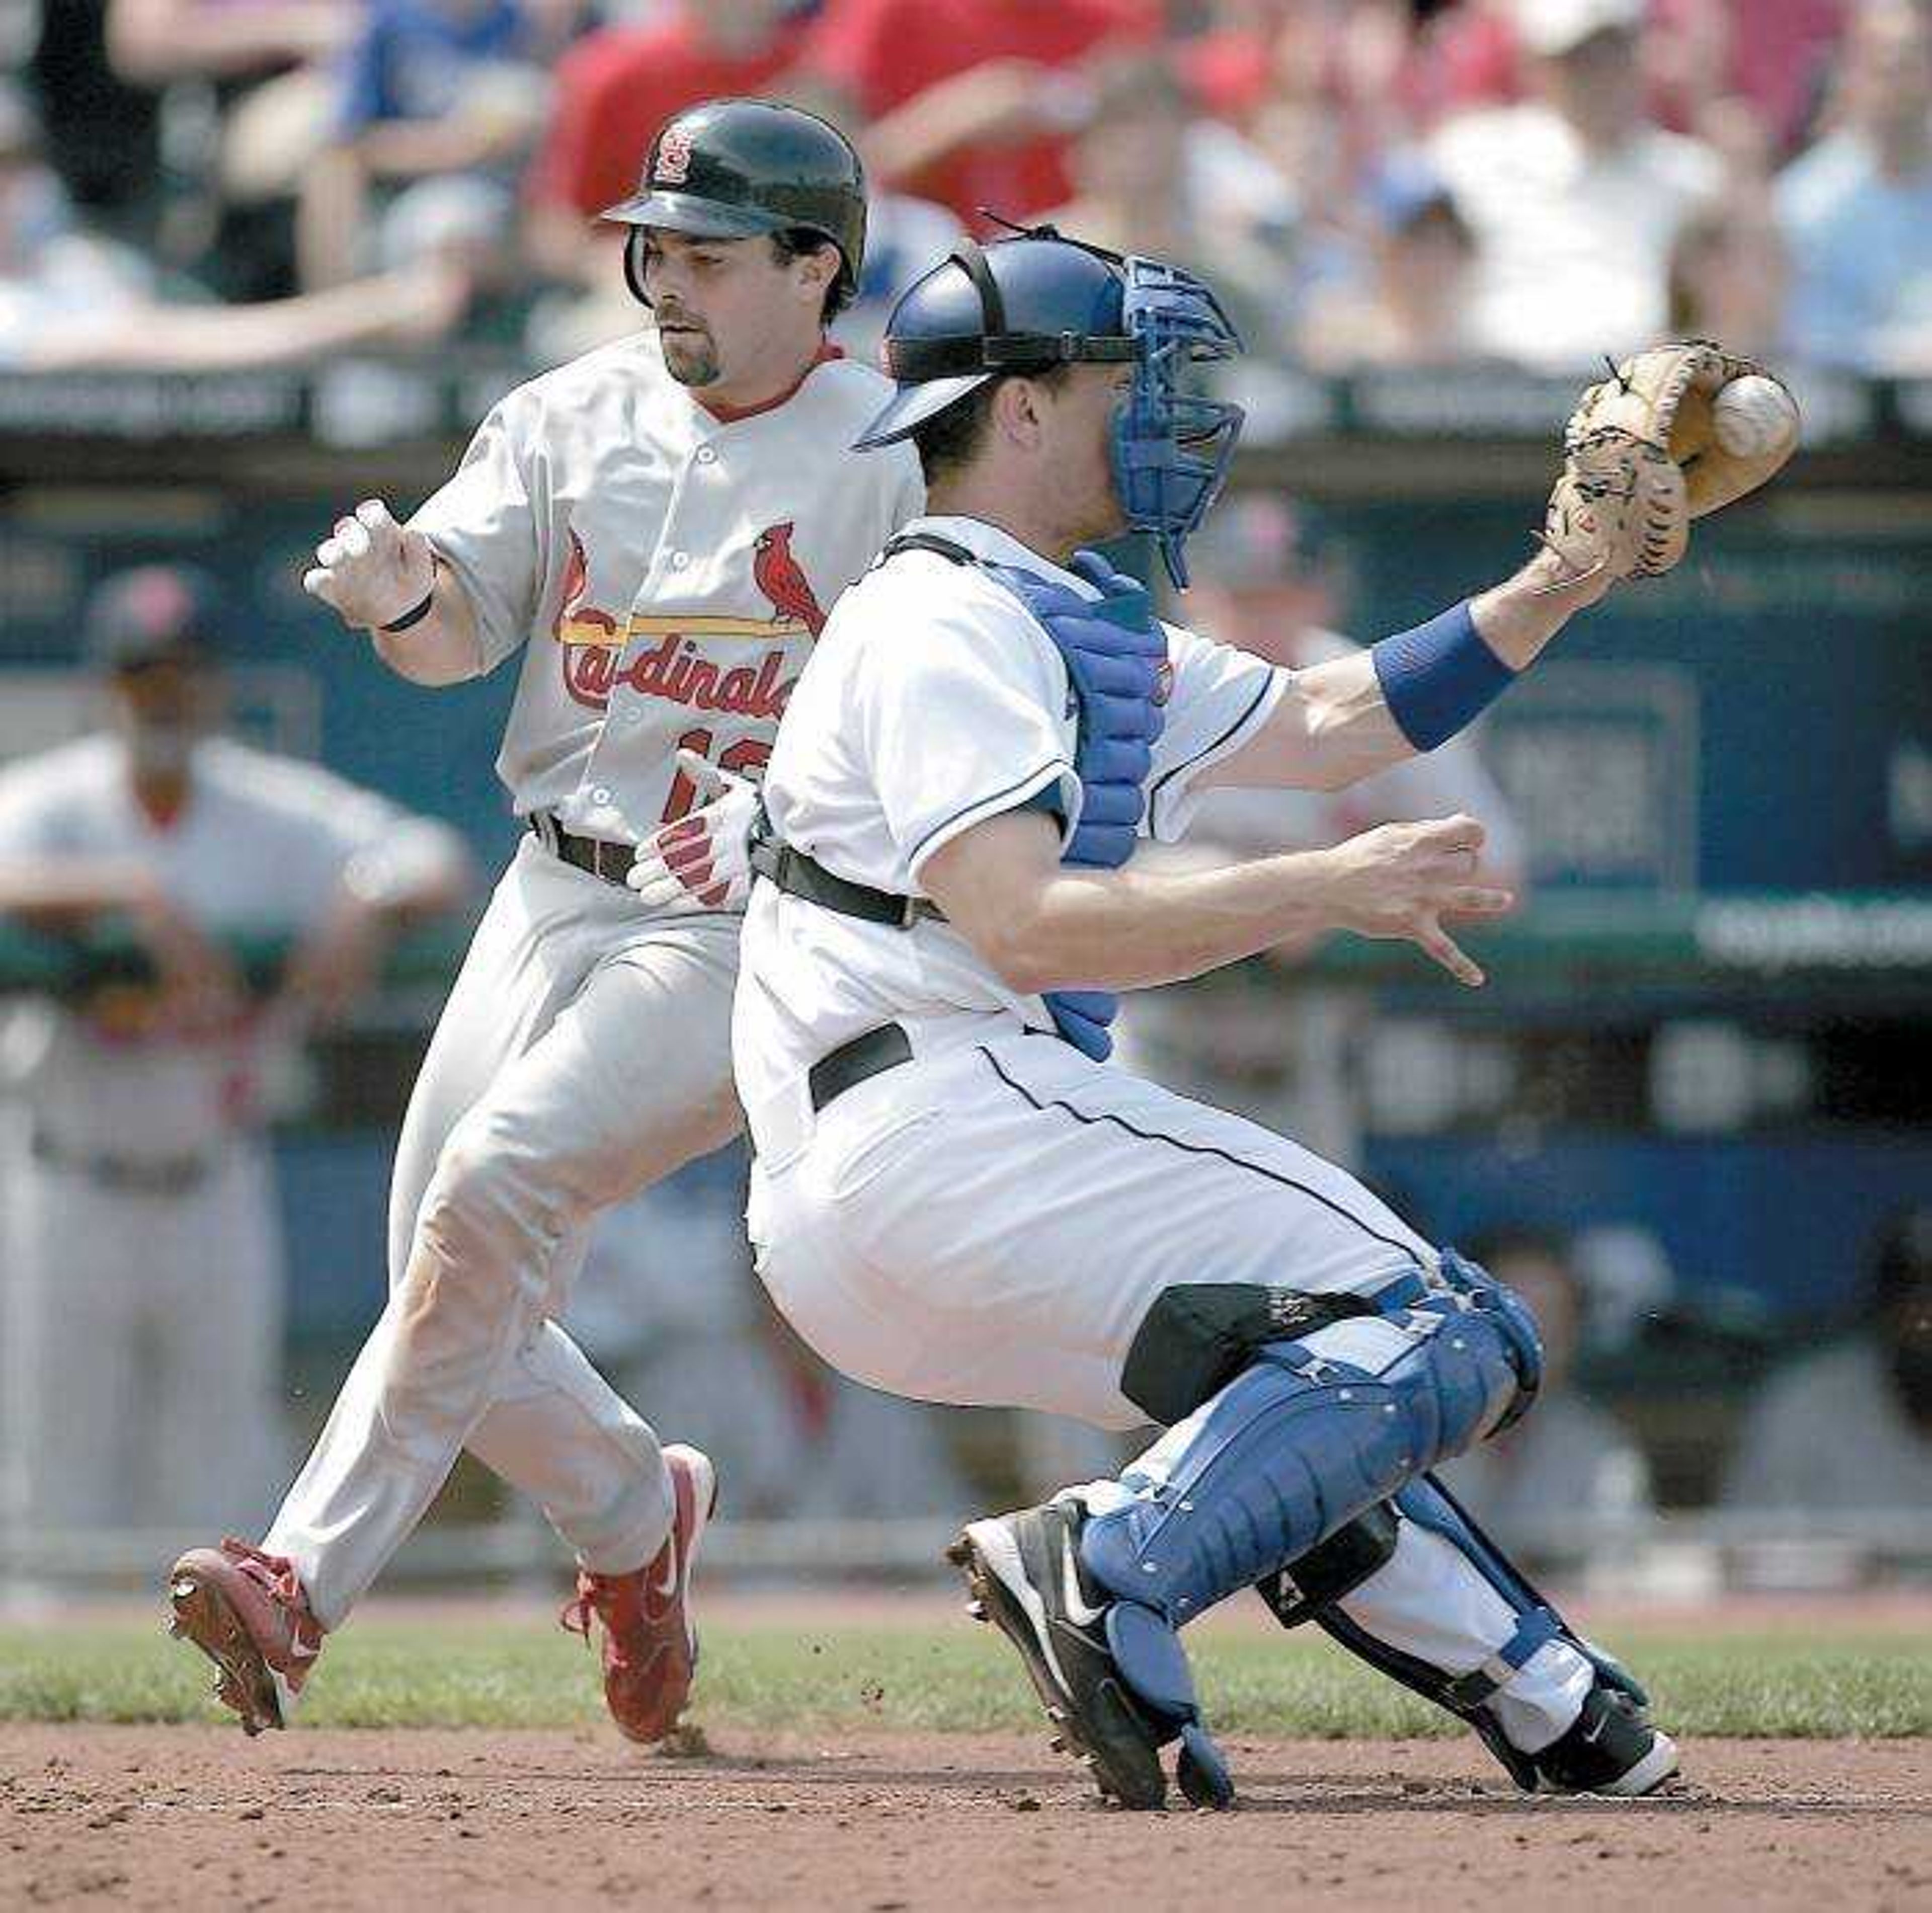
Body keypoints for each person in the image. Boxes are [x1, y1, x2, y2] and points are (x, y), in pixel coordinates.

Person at [708, 225, 1720, 1812]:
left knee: (1303, 1373)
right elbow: (1023, 920)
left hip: (908, 1161)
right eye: (1126, 375)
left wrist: (1564, 572)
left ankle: (1548, 1700)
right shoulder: (940, 621)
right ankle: (1102, 1561)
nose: (1165, 410)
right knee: (1444, 1321)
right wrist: (1322, 888)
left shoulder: (1050, 610)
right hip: (937, 1115)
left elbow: (1331, 719)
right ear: (1022, 410)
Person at [163, 98, 925, 1743]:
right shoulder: (570, 409)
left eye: (709, 252)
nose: (666, 278)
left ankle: (296, 1586)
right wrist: (396, 596)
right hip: (551, 877)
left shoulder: (897, 450)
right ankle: (635, 1520)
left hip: (736, 911)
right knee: (445, 1284)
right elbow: (454, 629)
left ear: (817, 267)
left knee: (488, 1194)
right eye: (654, 246)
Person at [0, 567, 469, 1560]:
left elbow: (433, 858)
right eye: (142, 673)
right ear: (107, 687)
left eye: (185, 671)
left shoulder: (265, 810)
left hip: (215, 1183)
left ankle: (200, 1690)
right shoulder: (59, 802)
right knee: (53, 1463)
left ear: (217, 685)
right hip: (68, 1180)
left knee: (219, 1463)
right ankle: (47, 1707)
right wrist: (125, 891)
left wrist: (364, 898)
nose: (164, 694)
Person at [1427, 0, 1723, 370]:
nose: (1599, 76)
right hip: (1489, 395)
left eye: (1613, 55)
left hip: (1651, 402)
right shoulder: (1472, 159)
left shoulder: (1693, 177)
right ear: (1535, 67)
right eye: (1579, 60)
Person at [1440, 1226, 1655, 1572]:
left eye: (1552, 1324)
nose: (1532, 1346)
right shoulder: (1412, 1430)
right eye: (1513, 1324)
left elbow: (1624, 1577)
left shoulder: (1599, 1447)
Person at [1722, 1209, 1932, 1514]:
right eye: (1915, 1303)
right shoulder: (1803, 1409)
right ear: (1882, 1312)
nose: (1925, 1322)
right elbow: (1753, 1553)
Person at [1776, 0, 1932, 375]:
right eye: (1882, 66)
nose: (1899, 83)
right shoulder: (1804, 202)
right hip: (1857, 413)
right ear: (1850, 75)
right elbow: (1807, 333)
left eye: (1912, 63)